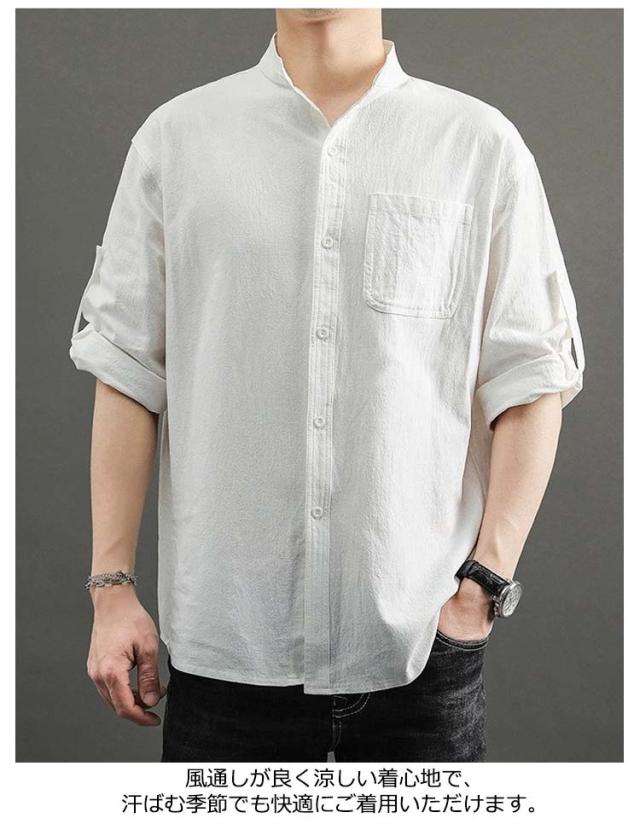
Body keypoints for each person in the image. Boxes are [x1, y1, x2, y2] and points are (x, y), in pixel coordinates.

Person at [69, 8, 585, 762]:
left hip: (420, 646)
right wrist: (111, 588)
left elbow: (532, 375)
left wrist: (483, 586)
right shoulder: (177, 139)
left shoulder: (476, 145)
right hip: (225, 651)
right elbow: (127, 369)